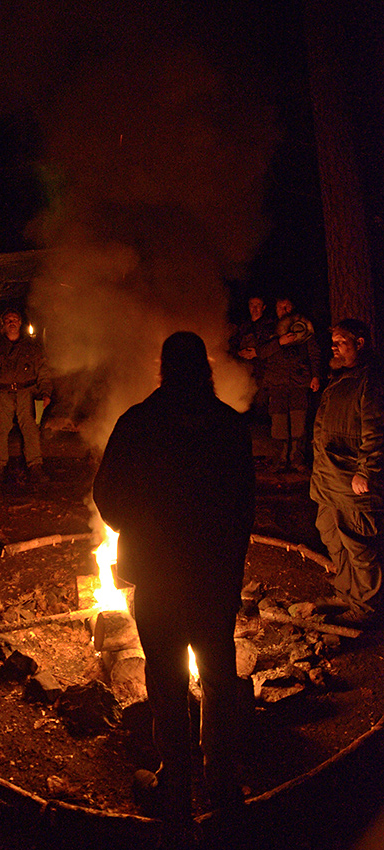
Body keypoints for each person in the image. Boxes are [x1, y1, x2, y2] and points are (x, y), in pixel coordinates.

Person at [93, 332, 255, 838]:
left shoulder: (139, 422)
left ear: (163, 368)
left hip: (160, 573)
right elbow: (243, 505)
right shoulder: (228, 425)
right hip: (212, 574)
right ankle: (223, 783)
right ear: (204, 369)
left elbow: (108, 497)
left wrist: (142, 527)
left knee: (166, 678)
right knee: (217, 674)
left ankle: (175, 786)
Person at [310, 319, 384, 627]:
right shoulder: (341, 377)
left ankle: (366, 607)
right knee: (331, 534)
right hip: (328, 477)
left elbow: (377, 431)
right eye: (333, 343)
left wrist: (366, 470)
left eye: (341, 342)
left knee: (357, 544)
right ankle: (346, 592)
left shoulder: (371, 380)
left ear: (361, 342)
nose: (334, 348)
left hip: (351, 479)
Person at [0, 308, 52, 484]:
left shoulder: (32, 347)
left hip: (27, 393)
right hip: (2, 393)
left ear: (20, 323)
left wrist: (46, 393)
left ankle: (35, 466)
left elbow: (43, 372)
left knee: (31, 429)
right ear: (3, 324)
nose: (12, 322)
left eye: (15, 319)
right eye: (8, 319)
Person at [258, 296, 321, 472]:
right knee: (278, 424)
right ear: (275, 309)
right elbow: (261, 352)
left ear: (292, 308)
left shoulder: (304, 327)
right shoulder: (269, 329)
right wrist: (279, 342)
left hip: (299, 383)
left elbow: (314, 353)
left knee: (299, 423)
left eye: (287, 307)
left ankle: (297, 459)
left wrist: (315, 376)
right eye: (280, 307)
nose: (284, 310)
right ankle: (279, 460)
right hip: (276, 384)